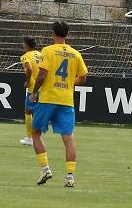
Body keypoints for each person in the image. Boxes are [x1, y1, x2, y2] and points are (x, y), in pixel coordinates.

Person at [29, 21, 88, 188]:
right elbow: (83, 78)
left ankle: (45, 168)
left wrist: (34, 92)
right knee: (68, 138)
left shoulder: (48, 51)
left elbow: (42, 74)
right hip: (66, 100)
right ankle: (70, 176)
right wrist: (69, 82)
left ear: (52, 33)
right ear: (67, 35)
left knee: (36, 133)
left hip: (48, 98)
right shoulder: (75, 54)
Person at [19, 36, 42, 147]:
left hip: (33, 87)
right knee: (39, 112)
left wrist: (28, 81)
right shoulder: (39, 54)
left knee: (28, 111)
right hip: (43, 86)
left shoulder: (25, 57)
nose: (22, 45)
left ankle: (30, 138)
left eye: (23, 43)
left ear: (26, 45)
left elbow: (29, 68)